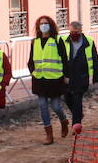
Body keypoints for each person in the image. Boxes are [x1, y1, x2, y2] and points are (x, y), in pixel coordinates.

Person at [27, 14, 70, 145]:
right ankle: (49, 135)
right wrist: (33, 72)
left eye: (45, 23)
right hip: (40, 80)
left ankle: (63, 121)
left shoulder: (57, 40)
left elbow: (64, 59)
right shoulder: (35, 42)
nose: (43, 25)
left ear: (50, 26)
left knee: (56, 106)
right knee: (42, 105)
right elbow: (30, 61)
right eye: (41, 23)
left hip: (55, 80)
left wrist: (66, 76)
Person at [63, 20, 98, 135]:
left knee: (77, 100)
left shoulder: (88, 42)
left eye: (76, 32)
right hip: (68, 75)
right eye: (71, 32)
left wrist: (96, 75)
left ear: (80, 31)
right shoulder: (64, 41)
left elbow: (95, 59)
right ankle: (79, 115)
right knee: (67, 98)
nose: (73, 34)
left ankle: (76, 124)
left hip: (82, 75)